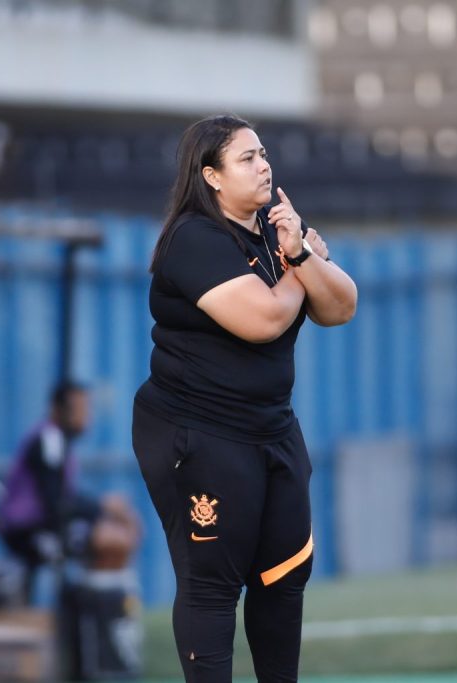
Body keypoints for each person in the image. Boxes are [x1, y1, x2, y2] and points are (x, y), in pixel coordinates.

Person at [131, 114, 357, 683]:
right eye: (247, 158)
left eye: (264, 154)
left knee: (284, 577)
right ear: (211, 175)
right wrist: (300, 265)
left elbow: (342, 306)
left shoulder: (276, 235)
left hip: (271, 430)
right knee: (211, 585)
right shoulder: (193, 238)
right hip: (199, 433)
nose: (264, 165)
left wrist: (301, 259)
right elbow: (263, 319)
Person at [0, 382, 141, 597]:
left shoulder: (56, 440)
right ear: (58, 410)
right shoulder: (50, 440)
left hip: (42, 525)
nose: (85, 418)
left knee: (119, 527)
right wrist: (102, 507)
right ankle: (98, 610)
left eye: (87, 410)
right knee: (114, 539)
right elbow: (56, 503)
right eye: (79, 410)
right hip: (29, 532)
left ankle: (96, 609)